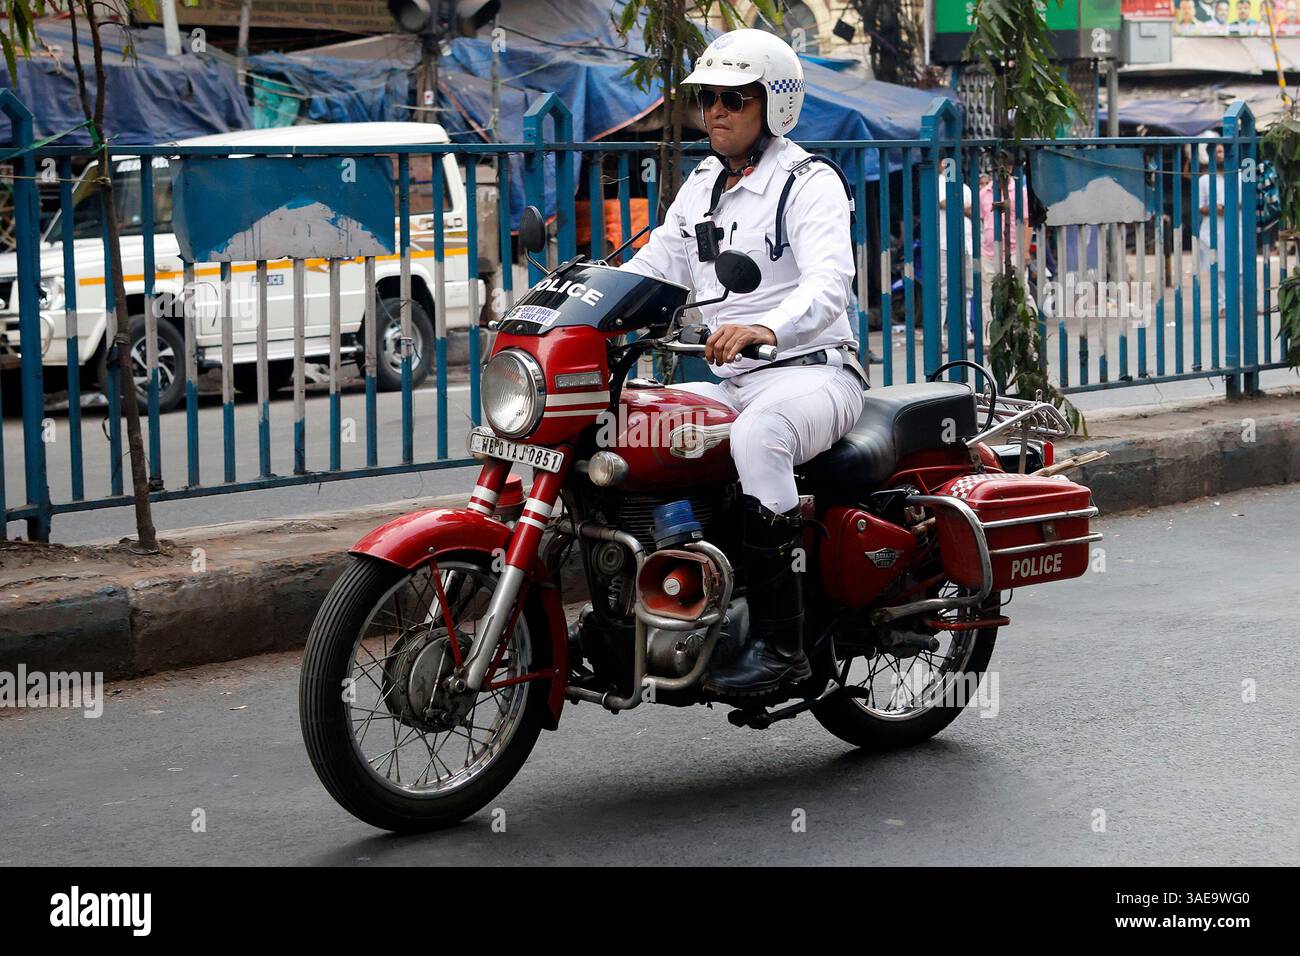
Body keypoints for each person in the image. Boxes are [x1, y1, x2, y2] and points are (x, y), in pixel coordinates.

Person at [621, 28, 867, 699]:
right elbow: (656, 265)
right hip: (737, 382)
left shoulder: (807, 182)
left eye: (735, 98)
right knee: (644, 426)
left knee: (761, 436)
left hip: (817, 373)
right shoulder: (701, 184)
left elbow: (828, 285)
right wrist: (588, 305)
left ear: (774, 105)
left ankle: (781, 645)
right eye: (708, 98)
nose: (717, 112)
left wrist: (765, 326)